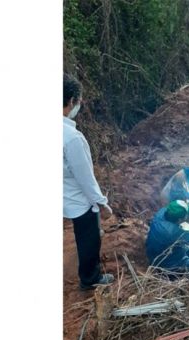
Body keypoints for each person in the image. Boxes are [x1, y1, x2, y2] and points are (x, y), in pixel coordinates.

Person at [63, 73, 114, 290]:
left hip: (63, 195)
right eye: (79, 101)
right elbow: (85, 177)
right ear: (72, 101)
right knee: (89, 238)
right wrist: (101, 203)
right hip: (77, 200)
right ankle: (90, 278)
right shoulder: (72, 138)